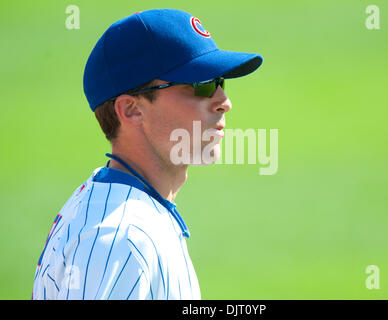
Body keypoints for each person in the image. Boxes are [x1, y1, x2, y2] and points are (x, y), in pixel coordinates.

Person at [32, 8, 262, 300]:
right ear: (132, 109)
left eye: (220, 81)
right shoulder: (121, 240)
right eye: (200, 84)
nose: (223, 101)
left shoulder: (129, 211)